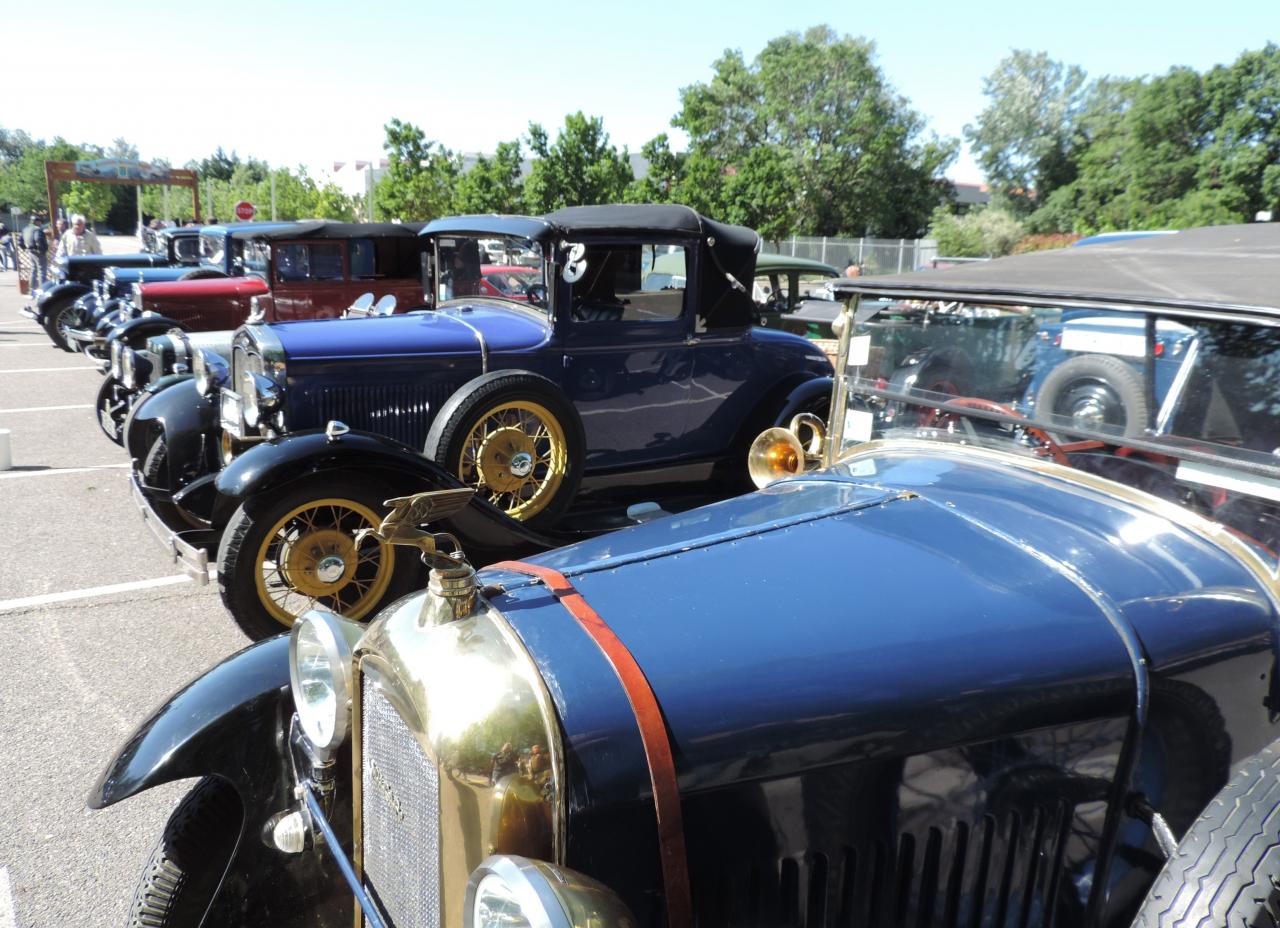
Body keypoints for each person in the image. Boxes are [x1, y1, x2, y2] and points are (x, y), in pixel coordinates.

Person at [22, 216, 49, 287]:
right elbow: (38, 239)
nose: (41, 223)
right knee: (42, 272)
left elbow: (20, 241)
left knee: (33, 270)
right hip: (38, 252)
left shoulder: (25, 229)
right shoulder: (37, 229)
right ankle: (43, 289)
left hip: (31, 252)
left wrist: (25, 248)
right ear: (36, 222)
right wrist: (41, 250)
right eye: (40, 222)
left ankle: (31, 290)